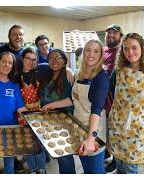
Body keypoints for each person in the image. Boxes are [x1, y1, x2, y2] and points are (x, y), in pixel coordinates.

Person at [41, 40, 109, 174]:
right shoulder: (79, 73)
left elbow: (97, 110)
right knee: (86, 166)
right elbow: (73, 99)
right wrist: (51, 105)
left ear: (101, 55)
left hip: (93, 131)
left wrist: (90, 139)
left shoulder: (101, 76)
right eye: (88, 50)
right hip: (79, 127)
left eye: (96, 51)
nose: (91, 54)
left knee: (94, 171)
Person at [107, 33, 144, 174]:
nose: (130, 52)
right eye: (126, 49)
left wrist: (142, 117)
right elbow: (111, 92)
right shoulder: (118, 72)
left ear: (142, 48)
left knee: (130, 167)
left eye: (134, 48)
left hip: (137, 128)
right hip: (116, 124)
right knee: (119, 162)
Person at [19, 47, 49, 173]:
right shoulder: (15, 76)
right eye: (28, 58)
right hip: (21, 114)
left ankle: (41, 169)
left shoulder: (40, 72)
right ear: (22, 58)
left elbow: (57, 67)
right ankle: (32, 169)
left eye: (34, 59)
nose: (31, 62)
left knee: (39, 144)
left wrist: (68, 70)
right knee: (27, 145)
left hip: (38, 114)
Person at [103, 24, 123, 173]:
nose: (111, 35)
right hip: (101, 99)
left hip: (114, 101)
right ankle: (106, 155)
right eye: (109, 33)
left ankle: (116, 162)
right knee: (104, 131)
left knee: (115, 134)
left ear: (120, 36)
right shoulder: (103, 50)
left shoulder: (122, 52)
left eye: (114, 33)